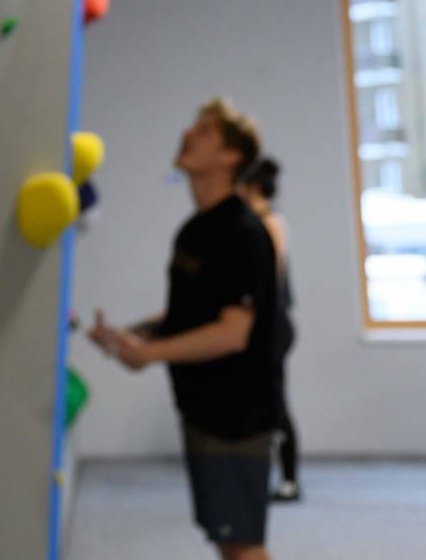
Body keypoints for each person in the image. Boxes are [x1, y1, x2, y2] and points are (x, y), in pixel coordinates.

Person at [91, 99, 281, 560]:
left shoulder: (243, 231)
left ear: (230, 156)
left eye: (204, 132)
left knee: (244, 546)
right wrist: (131, 336)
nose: (188, 135)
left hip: (238, 416)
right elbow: (188, 318)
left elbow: (233, 333)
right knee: (225, 537)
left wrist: (152, 355)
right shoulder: (194, 231)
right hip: (201, 407)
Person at [239, 157, 300, 503]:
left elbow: (267, 279)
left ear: (252, 186)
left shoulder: (270, 222)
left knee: (276, 404)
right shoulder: (250, 223)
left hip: (273, 326)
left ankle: (289, 480)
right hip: (258, 325)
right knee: (260, 404)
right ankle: (257, 474)